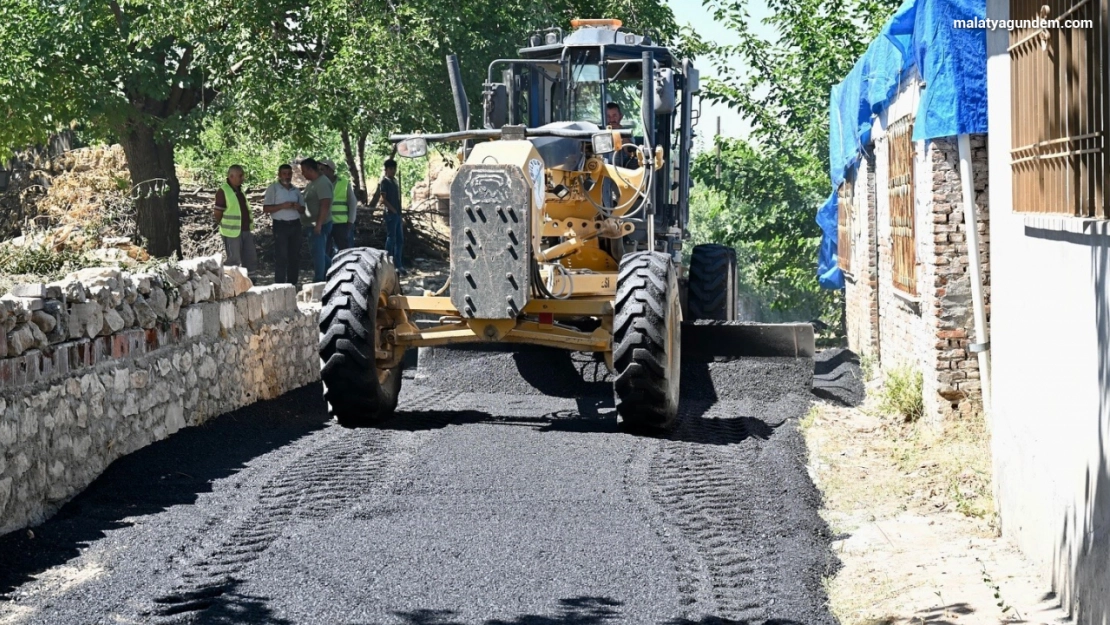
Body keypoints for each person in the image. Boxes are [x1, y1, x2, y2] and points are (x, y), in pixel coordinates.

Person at [262, 163, 306, 286]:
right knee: (281, 256)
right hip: (280, 225)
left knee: (295, 256)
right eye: (284, 174)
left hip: (295, 225)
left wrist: (298, 207)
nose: (287, 176)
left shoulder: (296, 190)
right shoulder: (273, 188)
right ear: (279, 175)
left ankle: (292, 284)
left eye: (289, 174)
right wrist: (282, 206)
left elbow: (303, 210)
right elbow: (266, 208)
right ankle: (280, 285)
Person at [214, 164, 258, 275]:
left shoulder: (239, 191)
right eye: (240, 176)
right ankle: (232, 286)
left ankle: (251, 282)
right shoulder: (223, 191)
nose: (243, 178)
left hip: (245, 230)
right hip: (231, 232)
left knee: (250, 258)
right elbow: (217, 212)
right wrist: (223, 223)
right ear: (231, 176)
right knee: (233, 261)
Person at [299, 158, 333, 282]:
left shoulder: (322, 183)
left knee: (318, 254)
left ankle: (319, 280)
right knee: (318, 253)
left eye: (303, 171)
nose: (302, 174)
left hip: (319, 225)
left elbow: (325, 204)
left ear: (310, 169)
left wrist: (318, 224)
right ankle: (336, 270)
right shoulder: (312, 183)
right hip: (311, 224)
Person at [369, 159, 405, 274]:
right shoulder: (384, 182)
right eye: (390, 169)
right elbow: (383, 199)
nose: (393, 171)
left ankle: (398, 264)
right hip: (390, 214)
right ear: (386, 170)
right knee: (391, 239)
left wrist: (398, 212)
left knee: (400, 240)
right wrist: (393, 210)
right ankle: (387, 263)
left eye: (394, 169)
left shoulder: (394, 181)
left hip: (397, 214)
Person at [320, 159, 357, 253]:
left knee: (344, 251)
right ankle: (328, 268)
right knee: (325, 251)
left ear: (330, 170)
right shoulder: (319, 184)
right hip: (325, 223)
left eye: (322, 169)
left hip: (341, 225)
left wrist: (351, 221)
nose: (320, 172)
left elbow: (352, 203)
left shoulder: (344, 183)